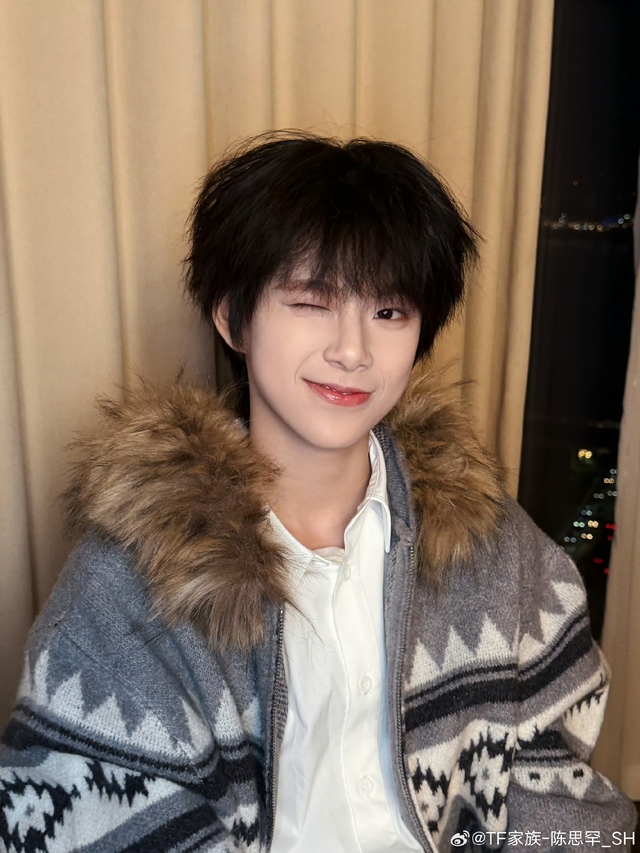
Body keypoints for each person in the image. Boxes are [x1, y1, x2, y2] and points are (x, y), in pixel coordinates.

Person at [0, 133, 636, 853]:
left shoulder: (492, 545)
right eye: (312, 301)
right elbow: (83, 821)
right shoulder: (132, 586)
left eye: (389, 313)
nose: (353, 350)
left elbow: (555, 783)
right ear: (232, 315)